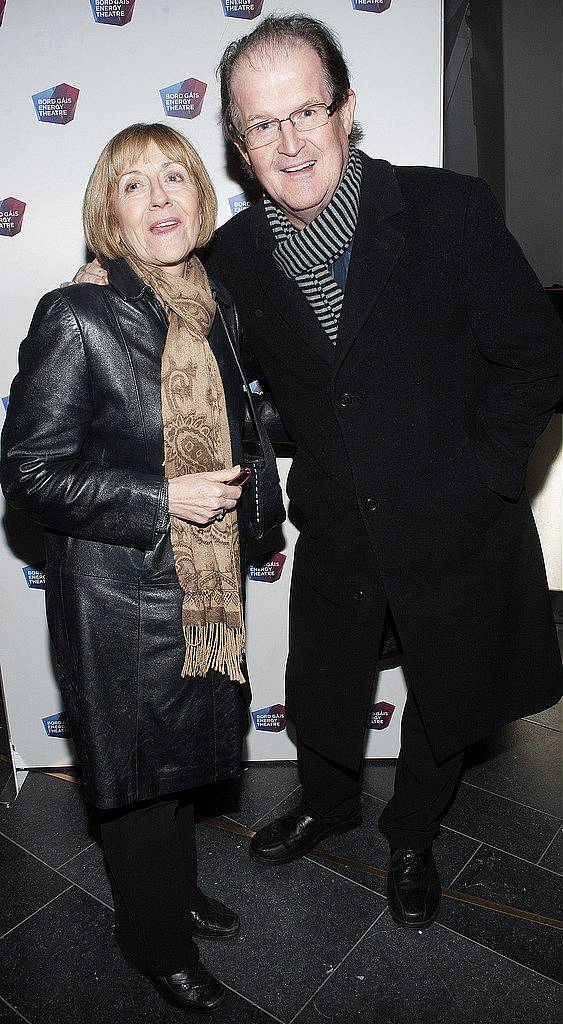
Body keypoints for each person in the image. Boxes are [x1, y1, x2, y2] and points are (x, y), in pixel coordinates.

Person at [70, 14, 562, 932]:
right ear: (239, 142)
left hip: (455, 513)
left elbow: (535, 357)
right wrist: (106, 276)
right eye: (262, 125)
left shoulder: (446, 209)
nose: (289, 142)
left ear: (346, 110)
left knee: (448, 687)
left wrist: (486, 474)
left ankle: (413, 832)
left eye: (306, 112)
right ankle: (327, 805)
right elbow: (168, 299)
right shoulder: (238, 255)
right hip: (336, 517)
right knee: (326, 683)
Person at [0, 122, 284, 1013]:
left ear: (202, 199)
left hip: (203, 584)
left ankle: (174, 892)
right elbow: (29, 471)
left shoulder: (216, 303)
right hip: (120, 594)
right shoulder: (75, 314)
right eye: (133, 185)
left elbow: (243, 420)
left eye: (174, 178)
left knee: (186, 765)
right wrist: (162, 499)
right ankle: (150, 939)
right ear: (110, 218)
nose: (159, 198)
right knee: (134, 780)